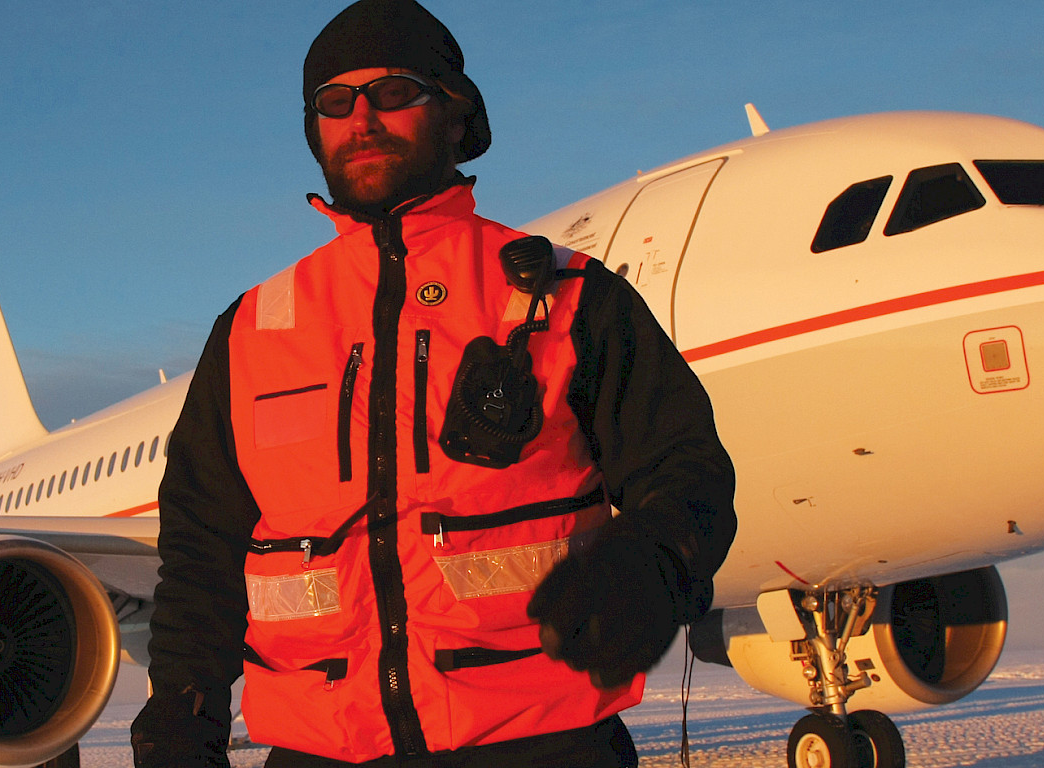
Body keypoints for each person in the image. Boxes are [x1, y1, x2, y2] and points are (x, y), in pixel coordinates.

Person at [130, 1, 737, 766]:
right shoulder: (252, 329)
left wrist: (656, 558)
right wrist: (182, 717)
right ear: (314, 129)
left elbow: (687, 470)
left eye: (393, 92)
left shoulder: (570, 296)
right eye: (335, 101)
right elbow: (202, 551)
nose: (362, 119)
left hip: (541, 742)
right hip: (321, 751)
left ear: (455, 115)